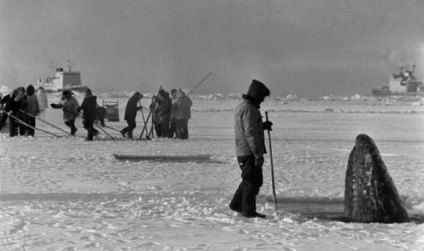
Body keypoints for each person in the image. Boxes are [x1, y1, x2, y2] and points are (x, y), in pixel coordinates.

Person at [229, 79, 273, 218]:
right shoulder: (249, 109)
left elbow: (250, 128)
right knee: (252, 181)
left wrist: (263, 125)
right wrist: (258, 154)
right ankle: (248, 211)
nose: (262, 101)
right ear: (257, 96)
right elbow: (250, 134)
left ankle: (236, 204)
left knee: (249, 179)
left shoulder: (244, 106)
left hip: (244, 150)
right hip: (248, 151)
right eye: (262, 98)